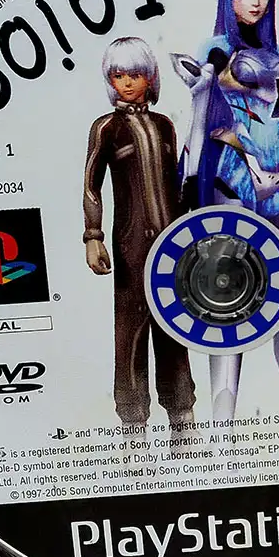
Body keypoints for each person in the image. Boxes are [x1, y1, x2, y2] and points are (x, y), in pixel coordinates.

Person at [175, 0, 279, 426]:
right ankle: (223, 428)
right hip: (232, 184)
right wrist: (190, 180)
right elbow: (203, 111)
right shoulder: (216, 49)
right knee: (225, 302)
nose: (256, 1)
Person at [84, 37, 195, 435]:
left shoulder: (165, 126)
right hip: (131, 246)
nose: (127, 83)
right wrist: (93, 236)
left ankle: (183, 417)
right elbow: (91, 186)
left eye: (136, 74)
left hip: (174, 244)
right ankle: (133, 424)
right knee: (130, 332)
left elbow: (178, 186)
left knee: (174, 329)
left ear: (151, 77)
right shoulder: (106, 129)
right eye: (118, 75)